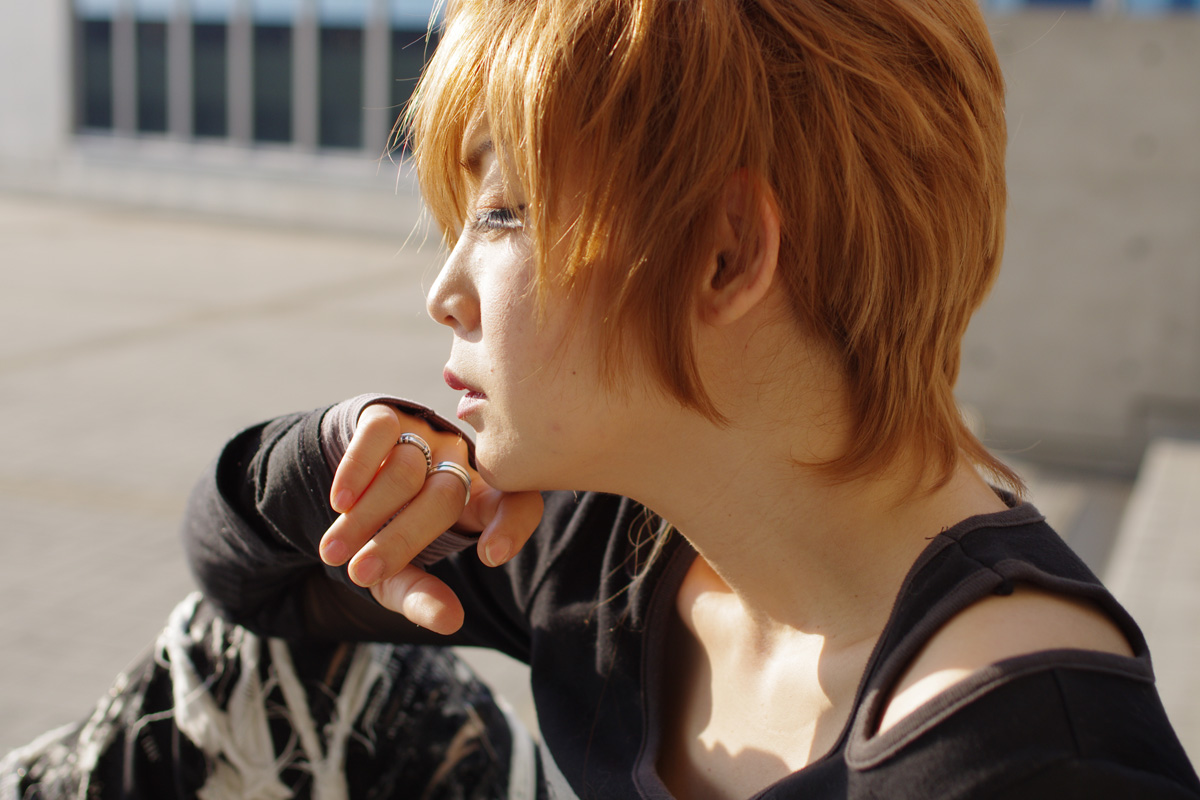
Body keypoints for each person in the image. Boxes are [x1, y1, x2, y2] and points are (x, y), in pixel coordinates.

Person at [5, 0, 1200, 797]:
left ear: (725, 254)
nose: (443, 291)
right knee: (244, 668)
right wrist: (343, 458)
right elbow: (250, 587)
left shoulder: (1035, 751)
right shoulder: (613, 540)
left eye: (502, 213)